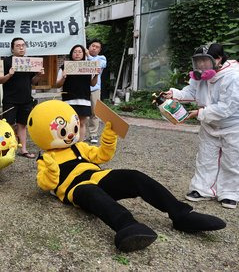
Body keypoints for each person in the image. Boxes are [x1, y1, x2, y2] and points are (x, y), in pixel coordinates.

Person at [28, 100, 226, 252]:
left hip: (99, 176)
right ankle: (127, 226)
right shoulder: (46, 157)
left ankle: (181, 214)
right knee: (92, 194)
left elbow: (102, 156)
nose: (70, 135)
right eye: (63, 131)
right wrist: (52, 172)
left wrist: (108, 137)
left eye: (71, 129)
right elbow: (45, 183)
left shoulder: (80, 147)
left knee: (134, 177)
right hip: (76, 189)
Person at [163, 43, 239, 209]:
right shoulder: (200, 76)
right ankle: (202, 189)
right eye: (198, 61)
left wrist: (199, 113)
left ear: (218, 59)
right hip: (209, 124)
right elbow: (191, 93)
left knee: (232, 160)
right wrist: (174, 94)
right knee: (205, 158)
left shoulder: (233, 76)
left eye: (205, 60)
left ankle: (230, 193)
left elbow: (227, 107)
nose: (201, 65)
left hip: (233, 126)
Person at [0, 37, 44, 159]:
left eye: (23, 45)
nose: (21, 47)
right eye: (18, 46)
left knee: (22, 125)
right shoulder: (6, 62)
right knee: (8, 125)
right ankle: (7, 149)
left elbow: (33, 81)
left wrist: (38, 75)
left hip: (26, 99)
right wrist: (10, 74)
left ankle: (23, 149)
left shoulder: (29, 62)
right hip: (10, 99)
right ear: (12, 49)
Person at [54, 44, 98, 142]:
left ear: (84, 54)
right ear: (71, 54)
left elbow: (93, 84)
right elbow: (57, 84)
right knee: (69, 123)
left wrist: (96, 75)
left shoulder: (88, 66)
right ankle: (69, 143)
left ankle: (80, 145)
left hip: (84, 99)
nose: (77, 54)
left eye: (80, 52)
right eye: (75, 52)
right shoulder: (65, 66)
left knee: (82, 123)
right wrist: (64, 76)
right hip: (69, 99)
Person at [86, 39, 106, 144]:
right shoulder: (82, 57)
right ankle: (80, 133)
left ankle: (93, 134)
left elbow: (97, 66)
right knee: (81, 112)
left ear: (99, 50)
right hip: (82, 88)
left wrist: (88, 56)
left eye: (97, 47)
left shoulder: (101, 58)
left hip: (95, 89)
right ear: (89, 46)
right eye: (92, 46)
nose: (94, 48)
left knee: (94, 112)